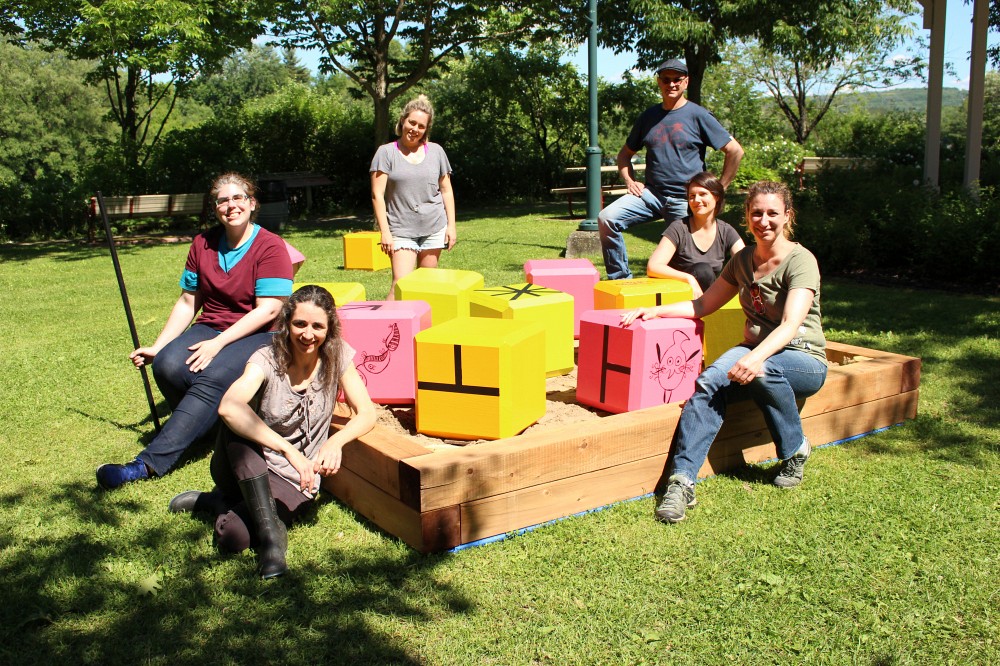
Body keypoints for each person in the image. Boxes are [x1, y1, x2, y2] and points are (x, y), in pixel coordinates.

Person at [621, 181, 827, 524]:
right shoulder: (743, 261)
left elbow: (791, 325)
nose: (764, 221)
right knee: (708, 383)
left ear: (787, 216)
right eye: (756, 213)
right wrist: (657, 311)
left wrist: (755, 357)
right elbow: (704, 303)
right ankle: (682, 481)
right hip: (757, 351)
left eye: (773, 213)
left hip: (802, 358)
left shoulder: (800, 260)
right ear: (746, 217)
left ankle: (795, 449)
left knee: (762, 369)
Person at [97, 173, 294, 490]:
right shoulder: (203, 244)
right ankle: (203, 429)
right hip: (212, 324)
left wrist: (217, 345)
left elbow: (269, 310)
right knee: (167, 364)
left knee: (212, 375)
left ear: (252, 203)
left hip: (263, 333)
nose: (231, 205)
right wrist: (159, 346)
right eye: (223, 200)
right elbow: (189, 301)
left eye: (238, 197)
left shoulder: (270, 246)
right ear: (215, 208)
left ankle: (146, 464)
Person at [169, 285, 376, 578]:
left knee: (233, 538)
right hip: (247, 462)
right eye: (300, 324)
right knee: (237, 419)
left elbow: (367, 413)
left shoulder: (337, 355)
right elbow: (228, 406)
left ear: (329, 328)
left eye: (318, 326)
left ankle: (215, 502)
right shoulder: (266, 358)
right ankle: (272, 542)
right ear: (287, 323)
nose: (308, 334)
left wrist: (336, 442)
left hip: (293, 479)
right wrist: (289, 450)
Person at [599, 58, 744, 281]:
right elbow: (624, 155)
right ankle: (621, 281)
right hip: (650, 195)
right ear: (659, 82)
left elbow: (735, 151)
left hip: (685, 202)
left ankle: (693, 301)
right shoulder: (648, 117)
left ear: (686, 82)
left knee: (688, 264)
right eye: (666, 80)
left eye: (677, 79)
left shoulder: (699, 116)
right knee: (607, 218)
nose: (672, 84)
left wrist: (719, 190)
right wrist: (630, 181)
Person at [370, 94, 457, 299]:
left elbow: (446, 190)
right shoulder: (386, 153)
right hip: (401, 229)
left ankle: (422, 330)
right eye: (412, 122)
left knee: (427, 286)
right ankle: (384, 329)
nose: (415, 129)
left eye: (421, 126)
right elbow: (377, 195)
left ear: (426, 129)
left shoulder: (436, 151)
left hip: (434, 226)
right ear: (402, 121)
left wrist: (451, 226)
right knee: (400, 285)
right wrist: (385, 232)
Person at [646, 171, 745, 298]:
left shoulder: (726, 231)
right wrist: (689, 278)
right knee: (703, 271)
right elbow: (653, 266)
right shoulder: (679, 228)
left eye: (703, 194)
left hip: (706, 298)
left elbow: (745, 263)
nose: (696, 200)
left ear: (717, 197)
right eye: (692, 196)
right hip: (677, 297)